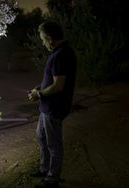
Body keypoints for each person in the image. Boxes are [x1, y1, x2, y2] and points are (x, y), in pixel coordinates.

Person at [28, 20, 77, 188]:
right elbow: (53, 79)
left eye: (43, 39)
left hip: (54, 108)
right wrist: (39, 87)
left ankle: (52, 179)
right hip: (47, 107)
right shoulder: (60, 52)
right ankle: (44, 168)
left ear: (50, 38)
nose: (43, 43)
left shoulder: (61, 55)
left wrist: (39, 94)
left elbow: (58, 86)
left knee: (53, 144)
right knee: (41, 137)